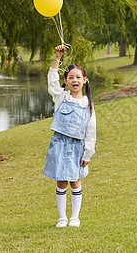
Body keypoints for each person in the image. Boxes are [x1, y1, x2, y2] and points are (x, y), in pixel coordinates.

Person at [43, 45, 96, 228]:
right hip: (59, 145)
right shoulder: (61, 97)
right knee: (61, 180)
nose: (75, 80)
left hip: (77, 147)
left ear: (84, 80)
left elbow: (91, 131)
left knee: (75, 181)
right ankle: (62, 217)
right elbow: (51, 81)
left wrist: (87, 154)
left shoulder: (87, 104)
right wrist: (57, 58)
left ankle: (75, 217)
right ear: (65, 80)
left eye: (78, 77)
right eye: (70, 77)